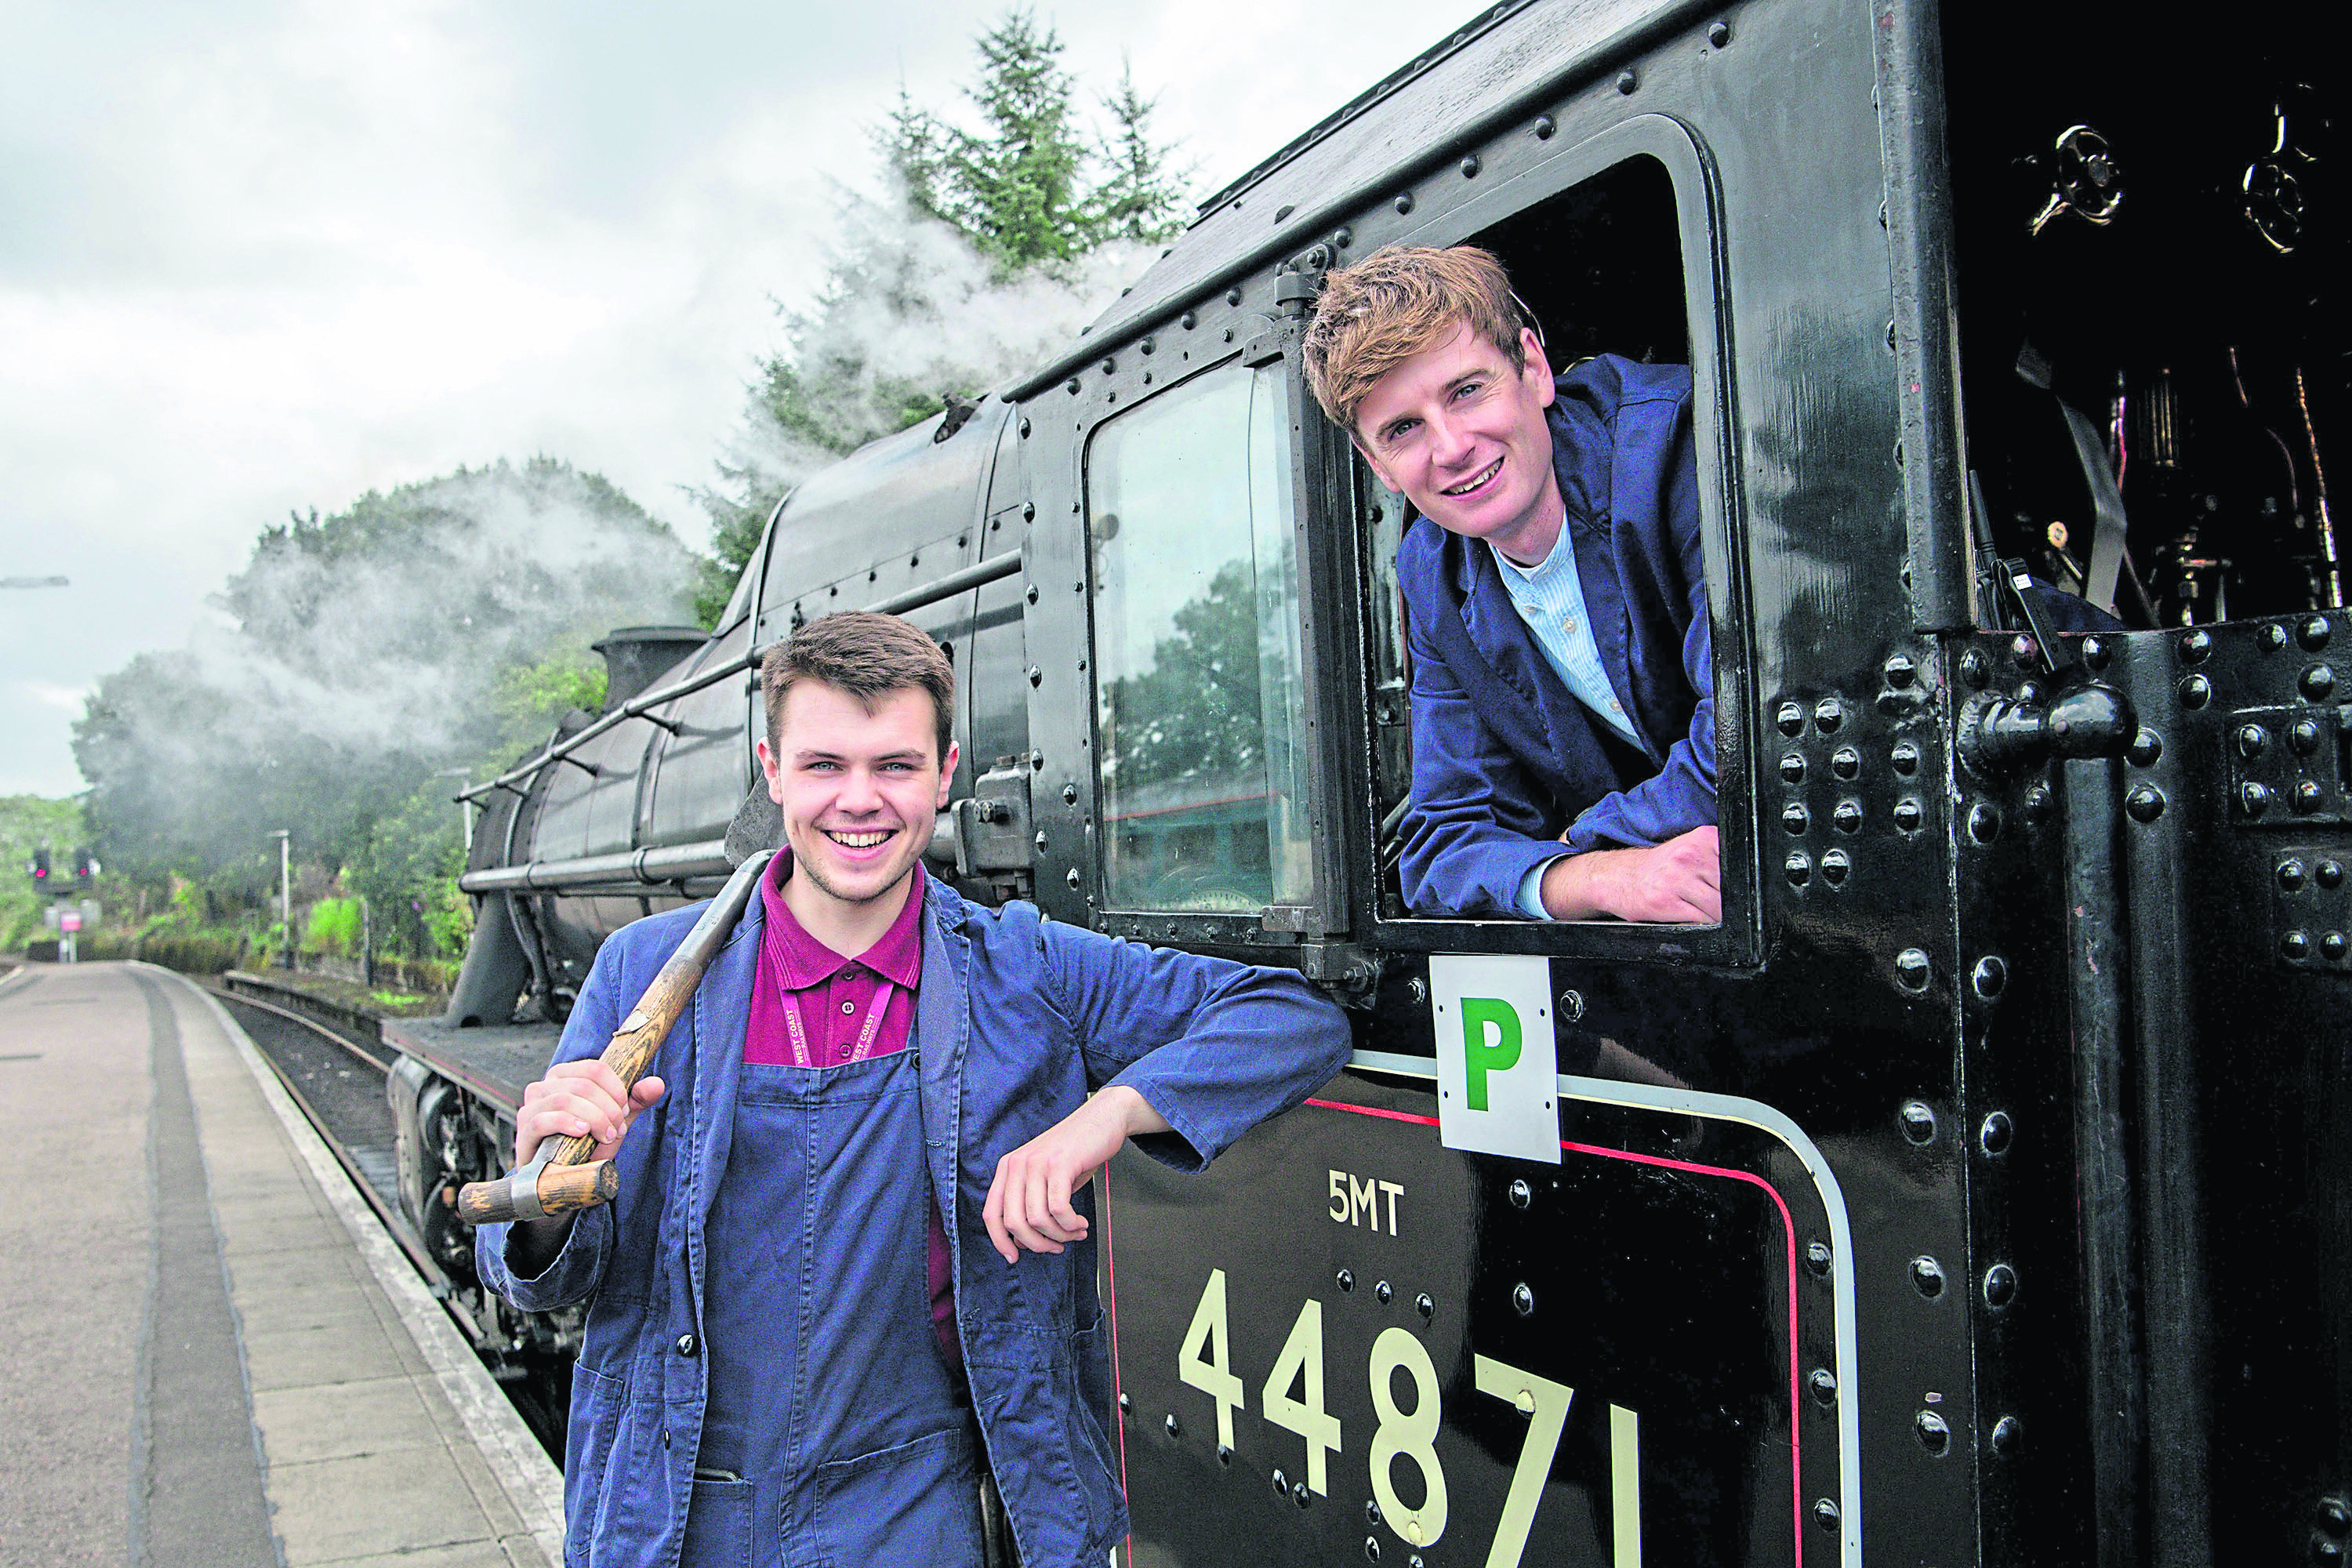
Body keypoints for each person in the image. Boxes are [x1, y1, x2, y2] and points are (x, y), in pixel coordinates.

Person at [476, 612, 1352, 1568]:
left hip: (921, 1512)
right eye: (824, 766)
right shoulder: (642, 974)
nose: (860, 800)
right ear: (772, 772)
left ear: (945, 773)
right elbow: (541, 1274)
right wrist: (545, 1194)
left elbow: (1295, 1016)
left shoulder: (1028, 970)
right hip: (682, 1505)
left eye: (895, 765)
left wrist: (1101, 1118)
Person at [1305, 244, 1719, 923]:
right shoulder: (1431, 573)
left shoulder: (1682, 443)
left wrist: (1572, 848)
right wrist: (1591, 880)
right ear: (1376, 463)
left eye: (1467, 391)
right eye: (1404, 429)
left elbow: (1751, 743)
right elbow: (1443, 843)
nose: (1451, 447)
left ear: (1533, 368)